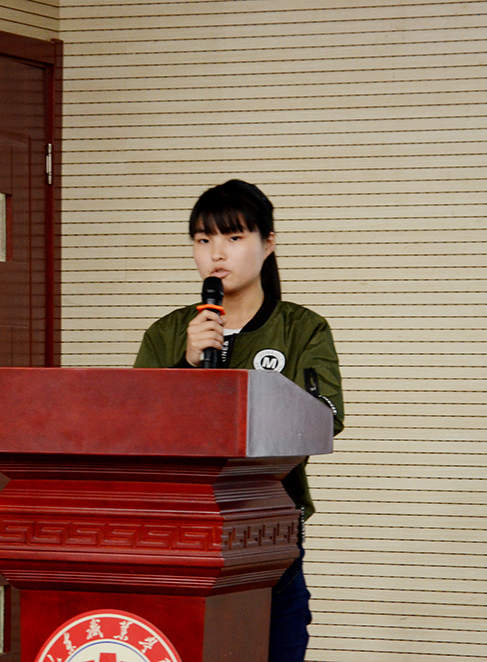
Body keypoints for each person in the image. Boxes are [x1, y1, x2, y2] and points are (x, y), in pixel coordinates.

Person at [134, 179, 344, 662]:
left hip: (268, 534)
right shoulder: (168, 333)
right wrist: (186, 365)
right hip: (178, 533)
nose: (216, 253)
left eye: (233, 237)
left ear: (268, 244)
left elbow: (325, 418)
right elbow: (134, 427)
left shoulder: (302, 329)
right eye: (203, 239)